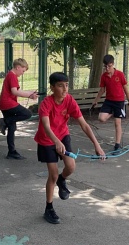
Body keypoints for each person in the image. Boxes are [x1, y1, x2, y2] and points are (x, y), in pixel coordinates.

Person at [34, 72, 105, 224]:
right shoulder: (46, 103)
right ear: (52, 88)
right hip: (47, 140)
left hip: (63, 135)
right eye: (60, 86)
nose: (65, 89)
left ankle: (62, 180)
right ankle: (49, 208)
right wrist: (56, 141)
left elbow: (84, 124)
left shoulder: (69, 100)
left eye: (66, 85)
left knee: (71, 166)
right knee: (52, 175)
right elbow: (46, 126)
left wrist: (97, 145)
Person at [91, 55, 129, 153]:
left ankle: (117, 145)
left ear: (113, 64)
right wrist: (96, 100)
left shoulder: (120, 74)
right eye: (105, 66)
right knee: (101, 118)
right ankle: (112, 112)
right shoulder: (104, 76)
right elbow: (102, 90)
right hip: (109, 101)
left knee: (117, 123)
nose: (107, 68)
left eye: (109, 66)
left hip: (119, 101)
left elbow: (125, 87)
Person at [0, 58, 38, 160]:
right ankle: (4, 121)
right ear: (18, 67)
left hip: (5, 104)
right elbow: (15, 92)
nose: (23, 73)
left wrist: (31, 93)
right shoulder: (12, 76)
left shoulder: (11, 75)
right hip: (8, 103)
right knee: (27, 114)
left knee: (12, 128)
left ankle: (11, 152)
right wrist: (29, 95)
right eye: (23, 71)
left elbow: (18, 90)